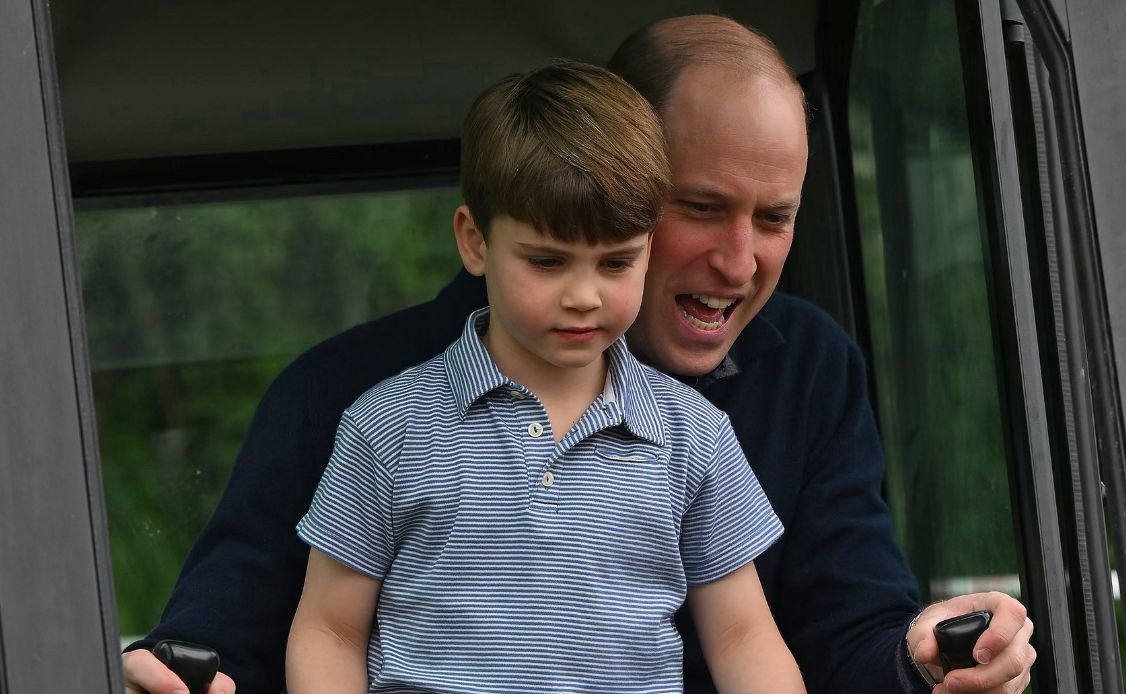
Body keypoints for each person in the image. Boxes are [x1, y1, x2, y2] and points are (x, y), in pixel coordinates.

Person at [123, 14, 1036, 694]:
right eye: (705, 206)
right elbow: (242, 639)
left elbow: (822, 635)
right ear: (614, 172)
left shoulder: (793, 379)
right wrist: (169, 673)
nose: (738, 259)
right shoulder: (360, 402)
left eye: (775, 219)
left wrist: (923, 655)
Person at [284, 60, 804, 694]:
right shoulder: (388, 426)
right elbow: (329, 631)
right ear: (474, 241)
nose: (583, 295)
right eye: (548, 261)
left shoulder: (694, 437)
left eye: (616, 263)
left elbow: (744, 637)